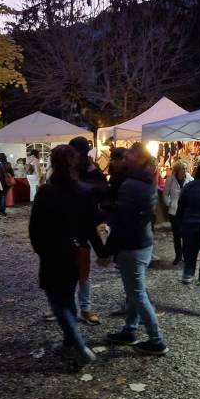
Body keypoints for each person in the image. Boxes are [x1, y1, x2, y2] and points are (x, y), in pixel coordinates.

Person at [29, 145, 107, 367]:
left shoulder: (46, 192)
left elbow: (35, 227)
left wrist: (40, 249)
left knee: (59, 301)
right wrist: (102, 251)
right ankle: (69, 341)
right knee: (67, 297)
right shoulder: (83, 191)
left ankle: (79, 345)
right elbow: (93, 226)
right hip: (76, 251)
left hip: (53, 252)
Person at [105, 144, 168, 355]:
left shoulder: (131, 185)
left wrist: (107, 250)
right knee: (134, 292)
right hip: (143, 242)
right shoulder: (146, 180)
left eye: (130, 153)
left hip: (131, 245)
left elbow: (122, 222)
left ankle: (156, 340)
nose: (125, 156)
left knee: (138, 293)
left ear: (138, 159)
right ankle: (130, 330)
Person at [68, 137, 109, 326]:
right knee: (68, 273)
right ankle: (66, 307)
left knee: (83, 272)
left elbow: (102, 197)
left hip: (82, 227)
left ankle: (84, 308)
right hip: (68, 229)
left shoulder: (91, 172)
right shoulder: (68, 171)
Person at [162, 160, 193, 266]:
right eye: (182, 168)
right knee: (177, 235)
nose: (185, 170)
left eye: (186, 168)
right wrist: (169, 203)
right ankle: (178, 256)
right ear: (177, 170)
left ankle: (185, 255)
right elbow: (165, 194)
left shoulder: (190, 179)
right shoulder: (170, 180)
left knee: (186, 235)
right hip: (174, 211)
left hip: (186, 211)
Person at [0, 153, 14, 217]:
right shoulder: (8, 164)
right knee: (4, 197)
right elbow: (12, 173)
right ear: (5, 157)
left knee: (0, 196)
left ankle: (0, 210)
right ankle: (2, 211)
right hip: (6, 183)